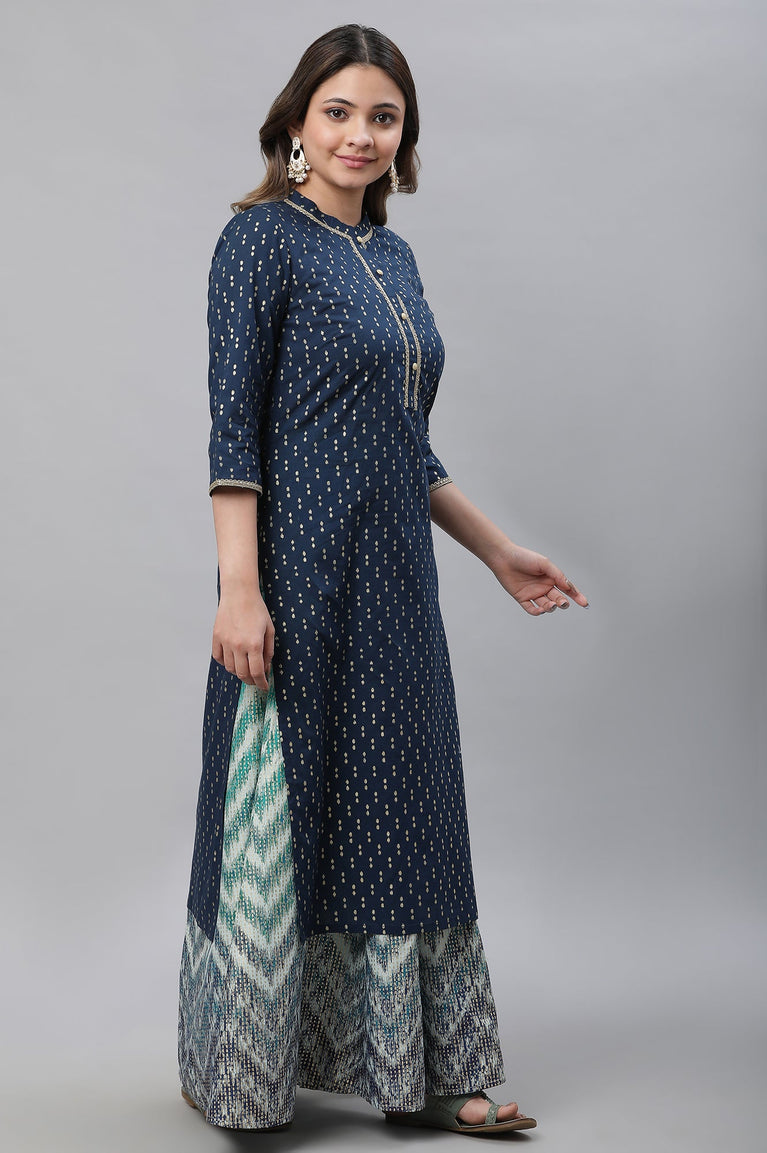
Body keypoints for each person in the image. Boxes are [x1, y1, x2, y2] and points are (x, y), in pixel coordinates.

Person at [178, 23, 588, 1135]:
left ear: (404, 139)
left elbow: (404, 443)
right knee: (282, 806)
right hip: (297, 580)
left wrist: (496, 550)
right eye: (338, 112)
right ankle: (244, 1070)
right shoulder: (259, 241)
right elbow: (233, 431)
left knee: (407, 808)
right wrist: (238, 588)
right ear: (294, 125)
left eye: (383, 117)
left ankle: (429, 1072)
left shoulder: (392, 260)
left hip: (397, 589)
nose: (359, 134)